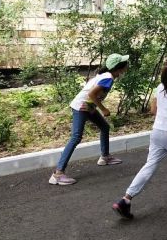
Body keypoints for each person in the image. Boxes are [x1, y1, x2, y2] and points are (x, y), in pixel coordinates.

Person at [113, 54, 167, 219]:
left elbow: (153, 110)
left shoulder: (160, 87)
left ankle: (125, 200)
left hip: (157, 131)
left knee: (150, 165)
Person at [49, 53, 129, 186]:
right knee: (76, 137)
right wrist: (103, 109)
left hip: (87, 106)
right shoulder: (108, 78)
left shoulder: (105, 76)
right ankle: (58, 174)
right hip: (81, 107)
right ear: (119, 68)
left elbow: (92, 94)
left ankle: (105, 157)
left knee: (104, 127)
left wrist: (93, 108)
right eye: (125, 65)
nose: (127, 66)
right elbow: (92, 94)